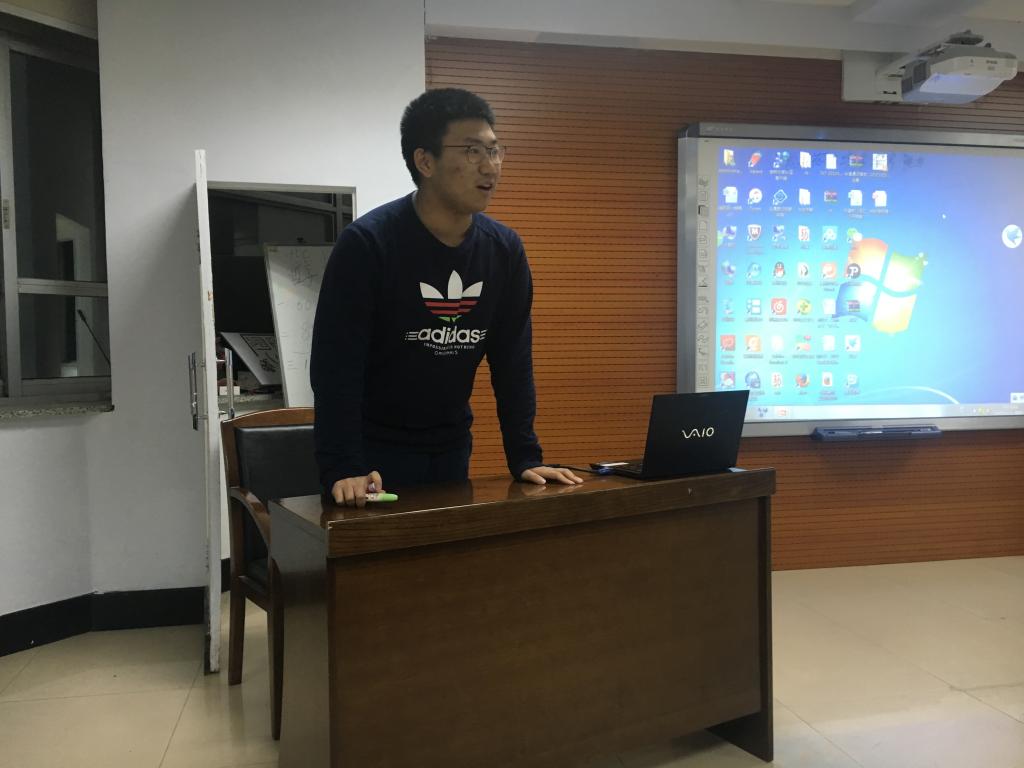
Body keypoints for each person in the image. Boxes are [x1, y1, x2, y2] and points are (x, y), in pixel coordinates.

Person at [311, 88, 583, 507]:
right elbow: (336, 368)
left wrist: (525, 457)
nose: (490, 166)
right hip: (370, 454)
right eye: (472, 151)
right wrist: (343, 466)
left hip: (451, 447)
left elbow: (512, 361)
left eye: (494, 150)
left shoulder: (503, 250)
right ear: (425, 161)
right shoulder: (368, 244)